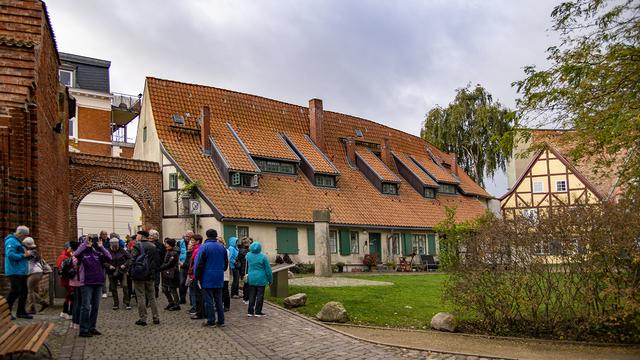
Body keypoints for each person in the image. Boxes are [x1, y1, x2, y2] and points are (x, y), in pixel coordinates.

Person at [74, 234, 112, 337]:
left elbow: (109, 257)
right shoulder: (82, 254)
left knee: (95, 307)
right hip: (86, 283)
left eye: (91, 241)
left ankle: (92, 327)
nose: (91, 242)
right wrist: (84, 244)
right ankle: (83, 329)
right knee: (86, 306)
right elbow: (75, 254)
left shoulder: (97, 253)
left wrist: (101, 246)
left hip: (98, 282)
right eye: (88, 240)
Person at [194, 229, 228, 327]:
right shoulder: (222, 247)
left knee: (208, 300)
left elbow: (199, 264)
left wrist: (197, 277)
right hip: (219, 277)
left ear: (207, 235)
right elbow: (225, 264)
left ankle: (211, 320)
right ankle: (221, 321)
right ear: (216, 236)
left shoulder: (204, 247)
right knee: (218, 300)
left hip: (207, 277)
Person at [131, 230, 160, 326]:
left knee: (141, 296)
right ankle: (156, 318)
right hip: (150, 275)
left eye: (138, 235)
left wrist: (130, 271)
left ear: (142, 236)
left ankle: (143, 319)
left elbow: (132, 259)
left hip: (139, 274)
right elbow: (156, 261)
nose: (136, 236)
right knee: (152, 297)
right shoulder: (153, 246)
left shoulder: (137, 245)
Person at [4, 225, 32, 319]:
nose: (25, 238)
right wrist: (23, 255)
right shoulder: (11, 241)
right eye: (24, 236)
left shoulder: (17, 241)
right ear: (20, 233)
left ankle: (21, 312)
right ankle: (6, 313)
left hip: (20, 271)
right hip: (14, 271)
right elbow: (10, 254)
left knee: (23, 291)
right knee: (15, 292)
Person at [246, 241, 272, 317]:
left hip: (251, 277)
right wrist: (270, 280)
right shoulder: (263, 257)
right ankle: (258, 311)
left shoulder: (248, 255)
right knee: (260, 296)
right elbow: (268, 270)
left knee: (251, 295)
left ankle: (250, 311)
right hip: (261, 278)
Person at [22, 237, 48, 314]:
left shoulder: (32, 252)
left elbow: (25, 255)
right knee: (30, 290)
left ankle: (32, 308)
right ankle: (43, 302)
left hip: (35, 272)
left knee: (29, 291)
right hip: (35, 272)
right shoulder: (34, 251)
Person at [104, 237, 131, 310]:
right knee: (113, 288)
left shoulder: (122, 250)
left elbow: (129, 259)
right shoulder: (107, 251)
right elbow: (103, 261)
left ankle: (127, 302)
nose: (115, 247)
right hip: (112, 272)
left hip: (122, 270)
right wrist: (109, 266)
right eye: (114, 246)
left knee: (125, 286)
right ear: (111, 245)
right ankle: (116, 303)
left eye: (117, 245)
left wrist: (124, 265)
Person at [56, 241, 77, 319]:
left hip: (68, 279)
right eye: (71, 248)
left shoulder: (68, 255)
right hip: (67, 280)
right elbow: (60, 269)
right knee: (72, 295)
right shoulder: (63, 256)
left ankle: (65, 312)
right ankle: (69, 313)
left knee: (69, 296)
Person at [159, 238, 180, 311]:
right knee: (165, 289)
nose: (165, 245)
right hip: (166, 272)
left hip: (172, 273)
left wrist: (160, 268)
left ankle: (177, 304)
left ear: (170, 245)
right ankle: (171, 302)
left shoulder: (174, 253)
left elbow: (169, 264)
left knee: (172, 289)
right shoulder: (168, 251)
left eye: (167, 243)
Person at [69, 236, 85, 329]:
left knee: (75, 303)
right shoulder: (78, 258)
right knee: (79, 303)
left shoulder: (72, 257)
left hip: (73, 282)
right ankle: (77, 322)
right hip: (79, 282)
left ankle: (74, 321)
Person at [187, 234, 204, 319]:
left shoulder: (198, 249)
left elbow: (196, 263)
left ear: (197, 241)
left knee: (198, 295)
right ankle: (198, 311)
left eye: (193, 240)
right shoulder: (196, 249)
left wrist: (192, 272)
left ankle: (199, 312)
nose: (191, 242)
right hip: (194, 274)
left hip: (196, 275)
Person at [149, 229, 164, 299]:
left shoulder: (160, 245)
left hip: (157, 265)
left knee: (156, 281)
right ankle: (150, 293)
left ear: (157, 236)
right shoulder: (147, 243)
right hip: (148, 265)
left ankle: (156, 292)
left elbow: (163, 254)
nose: (151, 237)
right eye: (150, 235)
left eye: (153, 235)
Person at [177, 231, 190, 304]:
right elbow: (177, 252)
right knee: (182, 282)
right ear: (184, 236)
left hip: (190, 265)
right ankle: (182, 298)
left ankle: (192, 300)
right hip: (182, 264)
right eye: (186, 236)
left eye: (189, 236)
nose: (188, 238)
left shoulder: (192, 242)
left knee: (189, 283)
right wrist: (179, 261)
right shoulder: (180, 243)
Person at [219, 237, 231, 311]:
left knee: (225, 290)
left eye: (219, 242)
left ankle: (226, 306)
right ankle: (221, 304)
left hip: (224, 273)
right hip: (219, 273)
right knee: (220, 291)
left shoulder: (226, 251)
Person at [99, 230, 110, 298]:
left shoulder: (109, 241)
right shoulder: (99, 241)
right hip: (102, 262)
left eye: (106, 234)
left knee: (111, 277)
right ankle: (104, 292)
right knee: (103, 277)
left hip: (109, 261)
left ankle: (112, 290)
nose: (105, 235)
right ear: (101, 235)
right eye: (104, 234)